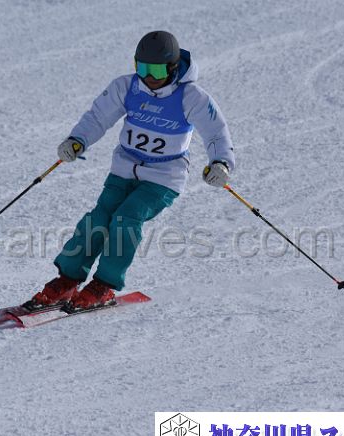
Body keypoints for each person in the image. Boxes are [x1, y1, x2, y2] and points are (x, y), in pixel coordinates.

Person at [25, 30, 235, 312]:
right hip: (123, 169)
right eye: (142, 68)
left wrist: (221, 162)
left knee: (126, 218)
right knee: (99, 218)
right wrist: (77, 140)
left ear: (173, 67)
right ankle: (68, 279)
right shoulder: (127, 87)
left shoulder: (191, 96)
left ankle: (103, 285)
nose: (148, 77)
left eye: (157, 70)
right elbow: (98, 117)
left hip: (164, 177)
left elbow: (216, 132)